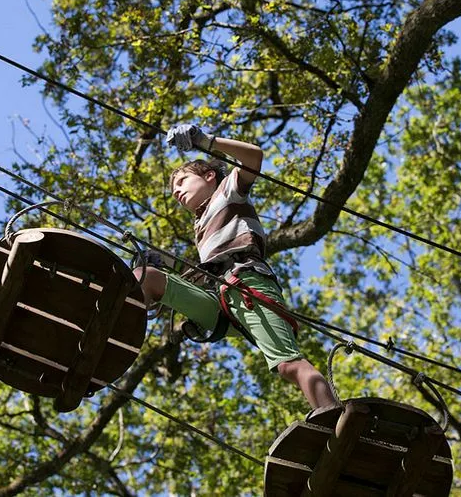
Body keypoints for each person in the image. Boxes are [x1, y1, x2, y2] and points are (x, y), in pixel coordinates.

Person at [132, 123, 338, 409]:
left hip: (247, 285)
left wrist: (204, 141)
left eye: (182, 181)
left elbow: (253, 158)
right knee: (147, 277)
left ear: (209, 175)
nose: (177, 192)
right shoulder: (201, 226)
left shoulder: (229, 191)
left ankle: (331, 413)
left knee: (288, 365)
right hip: (221, 298)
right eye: (174, 189)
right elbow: (207, 270)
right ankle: (113, 326)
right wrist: (163, 262)